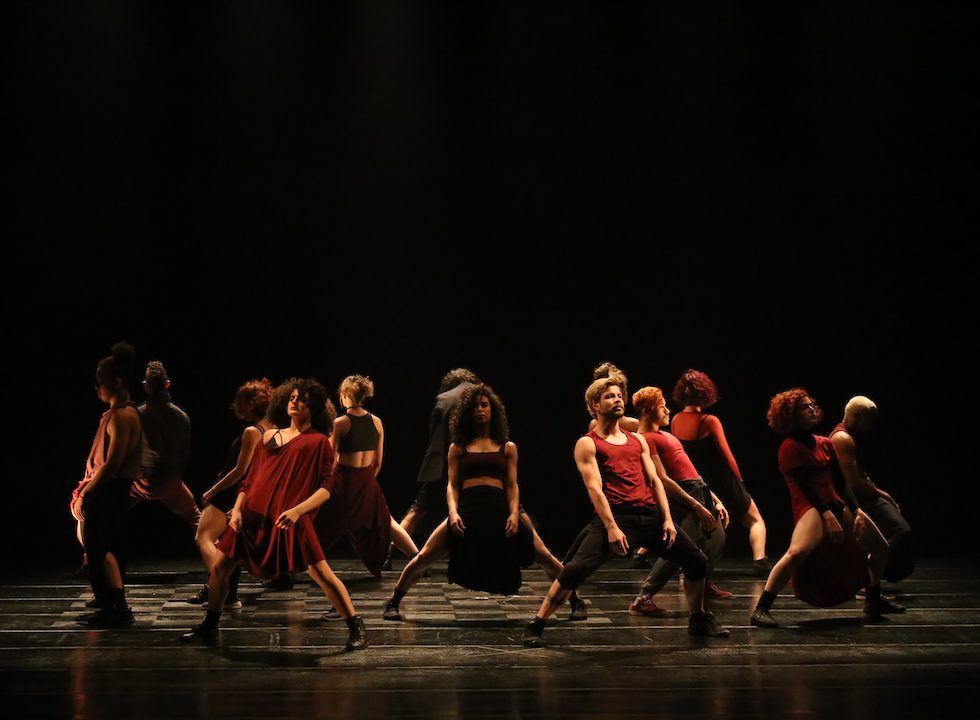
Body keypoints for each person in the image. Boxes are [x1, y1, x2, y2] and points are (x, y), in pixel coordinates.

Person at [522, 376, 729, 648]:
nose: (618, 399)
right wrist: (611, 527)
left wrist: (667, 519)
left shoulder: (637, 440)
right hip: (617, 516)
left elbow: (655, 481)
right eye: (609, 396)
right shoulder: (588, 443)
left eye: (619, 395)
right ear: (594, 405)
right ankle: (537, 624)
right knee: (575, 569)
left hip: (650, 516)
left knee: (697, 561)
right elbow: (594, 488)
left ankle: (698, 618)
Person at [181, 378, 367, 650]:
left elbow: (326, 489)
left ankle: (355, 626)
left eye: (302, 399)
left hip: (289, 518)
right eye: (291, 397)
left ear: (313, 407)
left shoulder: (318, 442)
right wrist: (237, 509)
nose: (295, 402)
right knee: (220, 568)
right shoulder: (269, 437)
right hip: (252, 516)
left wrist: (297, 511)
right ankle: (210, 625)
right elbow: (249, 480)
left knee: (320, 571)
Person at [382, 384, 572, 621]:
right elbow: (452, 485)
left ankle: (575, 600)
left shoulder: (507, 447)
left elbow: (512, 485)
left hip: (501, 508)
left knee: (545, 555)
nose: (480, 409)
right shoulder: (458, 448)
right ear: (467, 412)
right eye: (475, 406)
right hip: (469, 509)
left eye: (484, 405)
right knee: (424, 556)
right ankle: (393, 602)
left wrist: (514, 514)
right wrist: (453, 513)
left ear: (493, 410)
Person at [750, 389, 905, 628]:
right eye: (805, 407)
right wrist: (827, 515)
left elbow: (841, 483)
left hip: (835, 502)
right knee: (796, 553)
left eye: (812, 405)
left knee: (881, 547)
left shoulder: (825, 443)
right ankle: (761, 608)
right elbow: (806, 487)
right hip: (810, 505)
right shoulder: (789, 447)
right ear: (790, 415)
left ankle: (873, 600)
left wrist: (857, 510)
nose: (812, 410)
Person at [317, 375, 420, 619]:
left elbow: (330, 459)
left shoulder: (340, 422)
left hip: (345, 479)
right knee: (386, 520)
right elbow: (378, 461)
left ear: (346, 395)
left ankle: (300, 562)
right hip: (367, 479)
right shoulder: (377, 422)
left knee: (323, 523)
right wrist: (367, 481)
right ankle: (418, 558)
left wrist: (329, 484)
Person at [629, 386, 732, 618]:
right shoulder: (644, 439)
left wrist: (714, 499)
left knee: (717, 539)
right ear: (646, 411)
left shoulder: (667, 435)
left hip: (699, 489)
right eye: (662, 406)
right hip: (684, 495)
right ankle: (643, 597)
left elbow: (692, 471)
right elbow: (663, 479)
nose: (667, 410)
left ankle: (702, 580)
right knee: (682, 549)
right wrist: (695, 505)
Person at [670, 369, 772, 575]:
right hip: (721, 480)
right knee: (755, 520)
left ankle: (654, 556)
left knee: (696, 525)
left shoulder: (675, 420)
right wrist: (740, 481)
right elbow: (727, 456)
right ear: (705, 393)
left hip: (697, 482)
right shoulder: (709, 420)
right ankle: (760, 561)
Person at [69, 342, 143, 626]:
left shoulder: (124, 415)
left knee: (101, 546)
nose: (97, 388)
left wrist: (85, 492)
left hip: (109, 489)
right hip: (107, 488)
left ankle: (119, 608)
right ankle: (109, 604)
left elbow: (112, 464)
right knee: (101, 546)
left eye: (100, 382)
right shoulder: (116, 413)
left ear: (117, 382)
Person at [186, 378, 274, 607]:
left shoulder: (252, 432)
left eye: (240, 402)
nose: (236, 407)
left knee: (203, 537)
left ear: (250, 404)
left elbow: (239, 470)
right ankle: (228, 595)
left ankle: (217, 587)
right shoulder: (273, 430)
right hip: (245, 493)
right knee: (228, 546)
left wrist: (212, 491)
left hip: (230, 492)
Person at [383, 368, 479, 569]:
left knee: (417, 510)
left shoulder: (444, 399)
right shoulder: (480, 396)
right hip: (471, 463)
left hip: (440, 466)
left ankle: (389, 554)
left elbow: (434, 435)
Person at [830, 396, 913, 582]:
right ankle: (868, 575)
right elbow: (853, 483)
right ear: (856, 416)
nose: (872, 426)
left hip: (866, 495)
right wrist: (885, 495)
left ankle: (870, 577)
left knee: (898, 534)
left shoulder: (851, 437)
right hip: (860, 498)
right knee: (900, 531)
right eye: (869, 420)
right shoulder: (842, 438)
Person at [129, 361, 201, 529]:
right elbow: (185, 453)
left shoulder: (136, 415)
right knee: (197, 518)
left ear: (145, 385)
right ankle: (220, 544)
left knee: (106, 512)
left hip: (141, 484)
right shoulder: (182, 416)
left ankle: (95, 544)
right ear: (167, 384)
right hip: (170, 482)